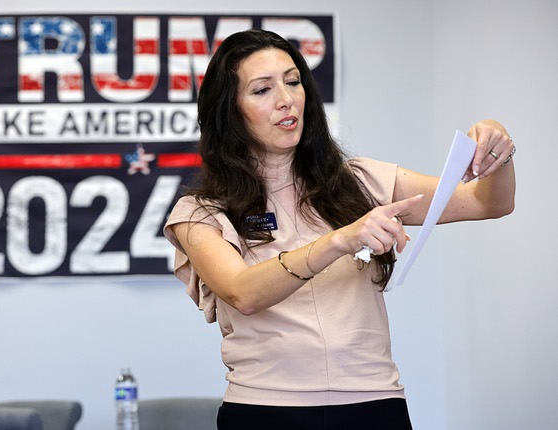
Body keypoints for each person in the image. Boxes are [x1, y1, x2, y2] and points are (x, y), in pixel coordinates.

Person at [163, 29, 515, 430]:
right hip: (266, 412)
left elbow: (490, 202)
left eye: (293, 82)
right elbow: (242, 293)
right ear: (230, 110)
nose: (286, 99)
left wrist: (497, 145)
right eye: (262, 90)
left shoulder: (360, 180)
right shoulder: (200, 212)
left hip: (375, 404)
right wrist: (339, 239)